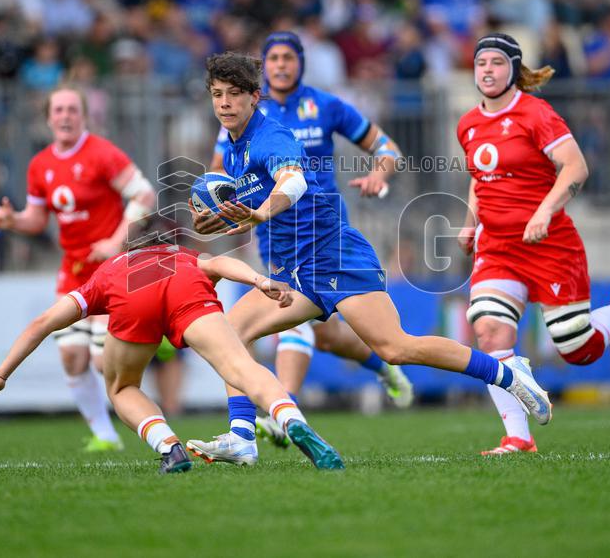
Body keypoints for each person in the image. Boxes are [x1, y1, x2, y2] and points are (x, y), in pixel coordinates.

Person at [185, 52, 552, 466]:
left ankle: (508, 375)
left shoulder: (272, 136)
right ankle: (241, 437)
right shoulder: (233, 148)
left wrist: (263, 211)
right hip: (295, 269)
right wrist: (224, 221)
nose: (225, 103)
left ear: (256, 98)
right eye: (217, 95)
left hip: (334, 256)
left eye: (235, 94)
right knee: (230, 334)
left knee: (395, 347)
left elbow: (294, 180)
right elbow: (253, 203)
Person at [0, 241, 345, 473]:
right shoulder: (178, 255)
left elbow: (43, 322)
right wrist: (259, 281)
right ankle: (292, 419)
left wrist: (2, 374)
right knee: (241, 366)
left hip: (132, 298)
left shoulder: (106, 274)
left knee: (121, 387)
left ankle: (170, 448)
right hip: (186, 288)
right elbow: (216, 264)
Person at [456, 33, 610, 456]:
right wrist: (470, 223)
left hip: (550, 245)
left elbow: (576, 167)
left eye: (496, 62)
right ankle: (517, 438)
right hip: (498, 247)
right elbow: (480, 178)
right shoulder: (468, 124)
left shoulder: (535, 113)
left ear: (513, 69)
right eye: (481, 64)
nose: (487, 70)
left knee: (577, 350)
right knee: (489, 332)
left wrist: (544, 212)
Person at [209, 31, 414, 450]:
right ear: (262, 72)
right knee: (325, 334)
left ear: (301, 63)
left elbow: (386, 146)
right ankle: (381, 366)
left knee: (288, 326)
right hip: (273, 235)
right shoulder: (239, 118)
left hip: (320, 233)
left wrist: (381, 172)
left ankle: (279, 411)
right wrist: (219, 209)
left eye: (289, 57)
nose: (282, 65)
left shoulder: (325, 106)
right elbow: (218, 178)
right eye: (274, 58)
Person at [0, 84, 156, 452]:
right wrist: (11, 221)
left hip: (112, 269)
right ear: (48, 118)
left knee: (102, 363)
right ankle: (104, 435)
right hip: (74, 270)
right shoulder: (40, 165)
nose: (65, 116)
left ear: (83, 115)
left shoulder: (102, 153)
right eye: (58, 110)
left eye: (72, 110)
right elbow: (36, 220)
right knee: (71, 356)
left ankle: (152, 349)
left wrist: (117, 240)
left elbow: (145, 195)